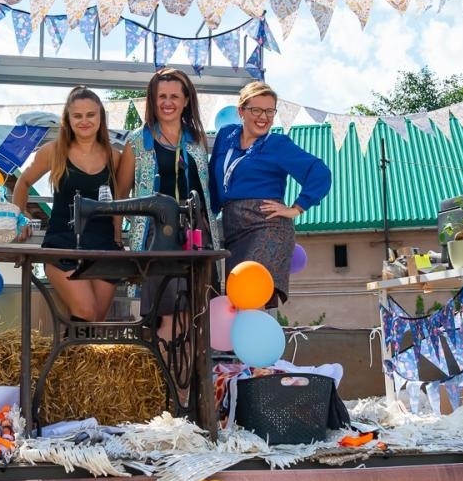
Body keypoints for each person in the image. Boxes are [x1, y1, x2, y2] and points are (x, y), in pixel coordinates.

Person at [208, 81, 331, 307]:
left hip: (267, 225)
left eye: (269, 111)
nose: (263, 117)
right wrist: (206, 215)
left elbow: (320, 173)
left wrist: (296, 208)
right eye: (256, 109)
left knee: (251, 295)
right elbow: (213, 180)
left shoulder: (277, 144)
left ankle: (260, 341)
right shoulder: (226, 136)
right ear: (241, 111)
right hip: (232, 229)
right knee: (234, 302)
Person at [11, 86, 121, 322]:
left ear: (100, 117)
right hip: (62, 243)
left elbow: (119, 202)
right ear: (68, 119)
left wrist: (118, 238)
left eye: (90, 115)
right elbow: (23, 182)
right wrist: (20, 218)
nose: (84, 121)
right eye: (77, 116)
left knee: (97, 320)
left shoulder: (114, 156)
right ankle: (71, 358)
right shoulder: (54, 151)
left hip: (103, 245)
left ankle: (75, 359)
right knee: (87, 312)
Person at [115, 68, 212, 331]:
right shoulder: (137, 142)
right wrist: (118, 239)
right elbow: (120, 194)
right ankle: (166, 368)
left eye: (174, 96)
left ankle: (187, 369)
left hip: (194, 235)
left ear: (185, 101)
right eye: (161, 96)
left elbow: (205, 191)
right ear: (152, 100)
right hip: (155, 234)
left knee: (192, 309)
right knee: (163, 309)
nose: (167, 103)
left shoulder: (196, 140)